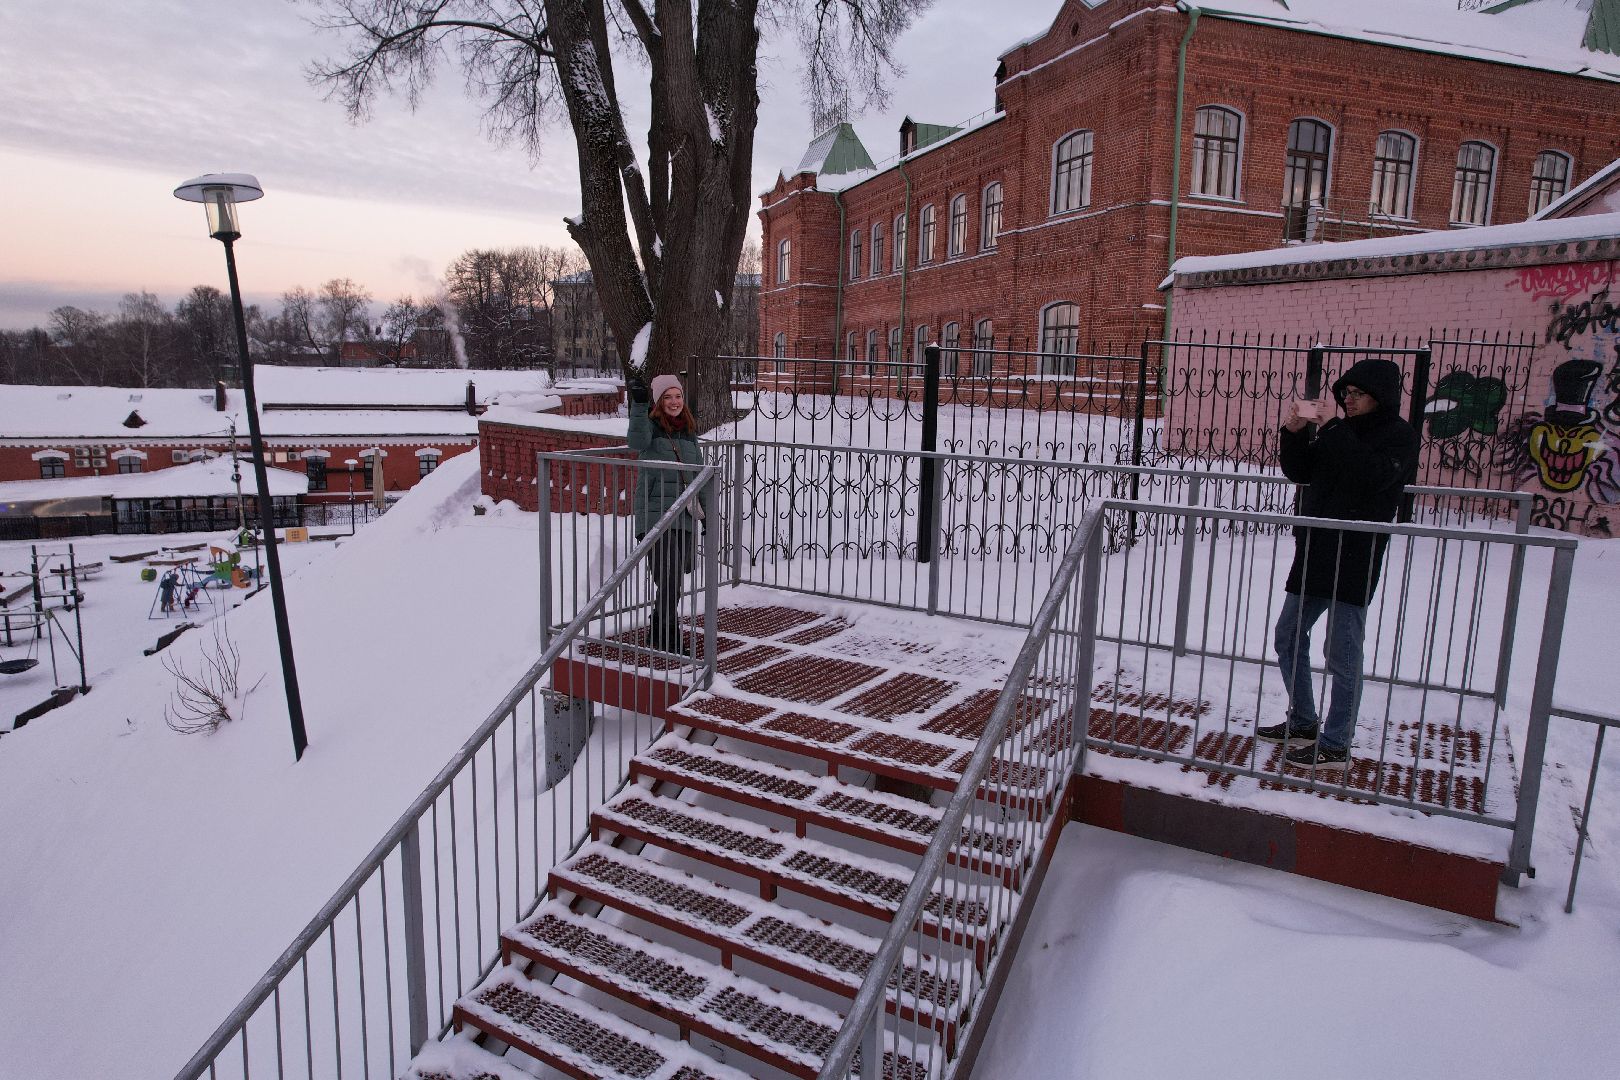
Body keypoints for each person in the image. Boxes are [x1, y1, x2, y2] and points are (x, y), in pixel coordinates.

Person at [1258, 357, 1420, 774]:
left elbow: (1371, 477)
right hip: (1316, 548)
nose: (1347, 400)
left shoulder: (1399, 436)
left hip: (1356, 555)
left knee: (1343, 652)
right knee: (1288, 634)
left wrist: (1331, 428)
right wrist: (1293, 435)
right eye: (1344, 393)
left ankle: (1335, 744)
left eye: (1357, 393)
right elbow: (1302, 471)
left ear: (1379, 397)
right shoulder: (1340, 431)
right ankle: (1304, 722)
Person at [628, 372, 707, 651]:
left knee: (674, 579)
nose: (674, 401)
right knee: (669, 578)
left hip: (684, 516)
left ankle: (657, 631)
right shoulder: (650, 427)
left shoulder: (688, 430)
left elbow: (700, 475)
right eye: (667, 397)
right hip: (657, 516)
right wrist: (638, 405)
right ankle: (668, 637)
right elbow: (635, 442)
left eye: (678, 396)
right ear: (659, 401)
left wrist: (707, 515)